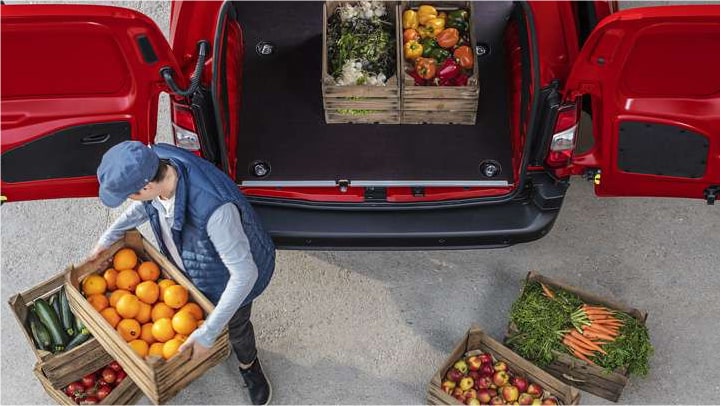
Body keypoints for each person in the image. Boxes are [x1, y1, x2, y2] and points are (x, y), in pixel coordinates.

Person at [90, 141, 275, 405]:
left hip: (228, 278)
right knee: (188, 315)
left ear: (146, 187)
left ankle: (249, 366)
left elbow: (245, 275)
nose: (129, 201)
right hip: (193, 264)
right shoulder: (157, 162)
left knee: (237, 327)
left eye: (129, 195)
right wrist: (109, 237)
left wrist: (209, 334)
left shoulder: (215, 211)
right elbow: (143, 206)